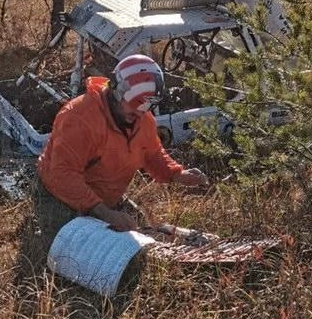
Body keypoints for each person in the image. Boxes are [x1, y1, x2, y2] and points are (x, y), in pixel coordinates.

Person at [32, 55, 209, 249]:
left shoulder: (142, 118)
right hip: (60, 197)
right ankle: (40, 228)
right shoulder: (79, 118)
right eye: (134, 107)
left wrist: (178, 174)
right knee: (81, 249)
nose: (140, 113)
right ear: (117, 93)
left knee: (144, 233)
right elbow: (62, 175)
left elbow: (152, 154)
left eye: (145, 107)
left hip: (104, 197)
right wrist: (106, 214)